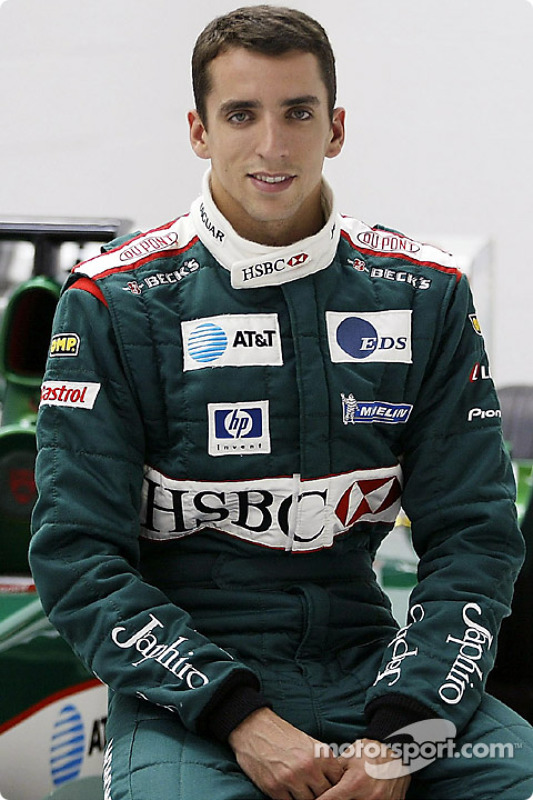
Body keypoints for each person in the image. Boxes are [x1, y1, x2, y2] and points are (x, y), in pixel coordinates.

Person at [29, 6, 533, 800]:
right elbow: (76, 558)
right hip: (187, 695)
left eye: (297, 112)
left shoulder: (425, 295)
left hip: (378, 669)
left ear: (334, 128)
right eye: (241, 114)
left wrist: (406, 736)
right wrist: (237, 716)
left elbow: (474, 538)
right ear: (199, 131)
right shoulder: (111, 303)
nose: (272, 145)